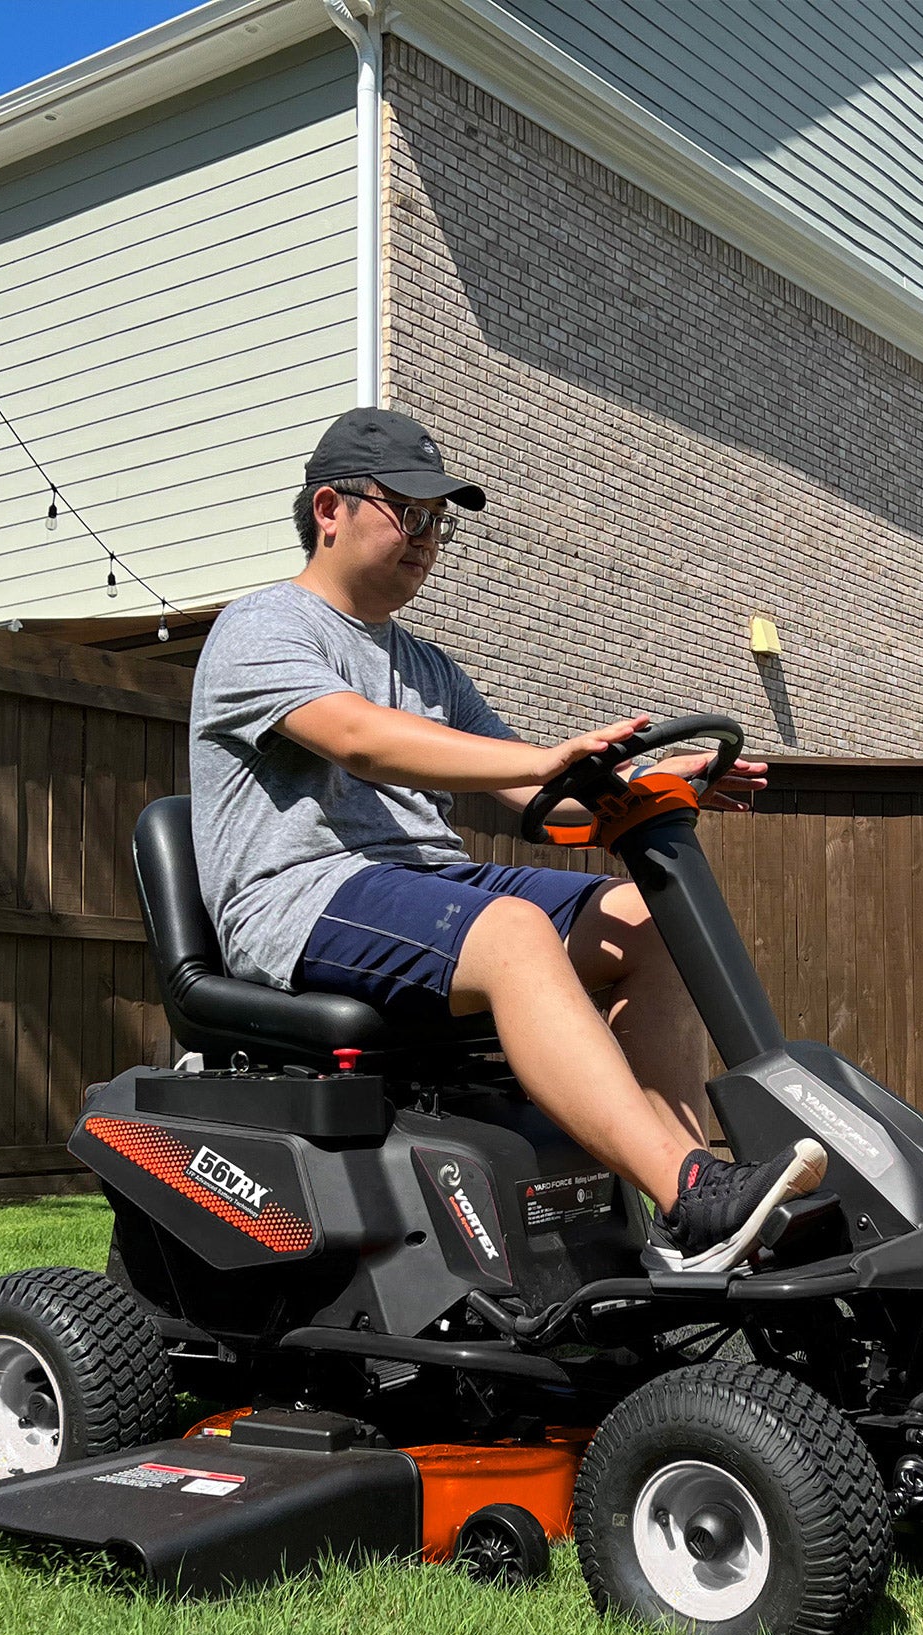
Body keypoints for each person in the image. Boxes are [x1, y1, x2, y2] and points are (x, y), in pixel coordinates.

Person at [187, 408, 824, 1271]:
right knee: (514, 935)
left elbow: (543, 797)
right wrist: (540, 756)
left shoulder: (430, 666)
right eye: (409, 513)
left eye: (439, 522)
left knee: (649, 917)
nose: (428, 537)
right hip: (302, 897)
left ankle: (690, 1201)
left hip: (426, 885)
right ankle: (692, 1193)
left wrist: (655, 784)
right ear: (329, 508)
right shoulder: (263, 626)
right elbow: (357, 738)